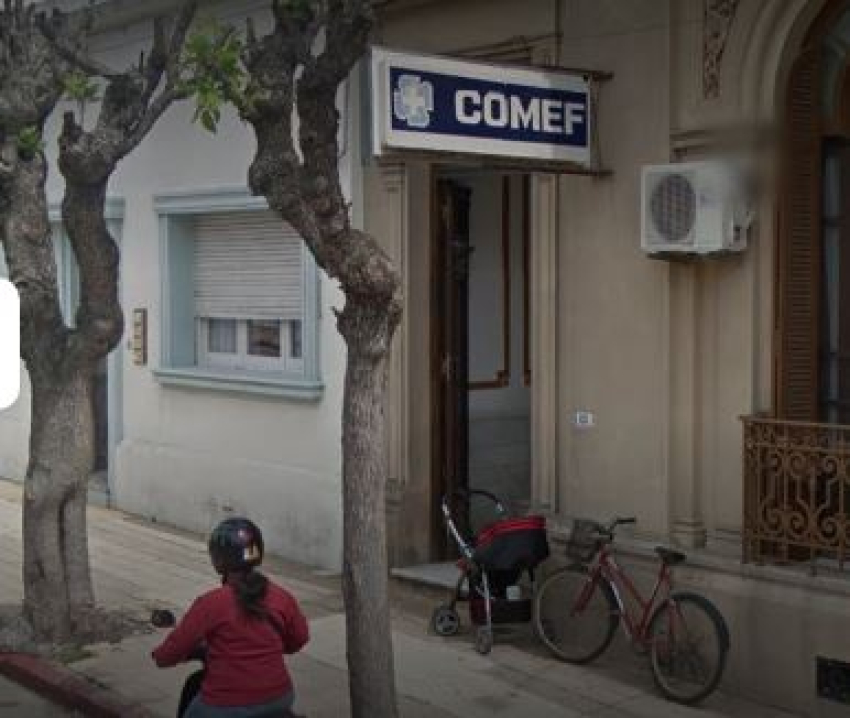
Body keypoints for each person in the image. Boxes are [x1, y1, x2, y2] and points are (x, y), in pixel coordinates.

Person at [152, 517, 309, 718]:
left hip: (227, 704)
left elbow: (172, 651)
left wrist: (161, 656)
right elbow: (299, 639)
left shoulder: (211, 603)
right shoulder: (282, 597)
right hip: (280, 697)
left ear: (218, 561)